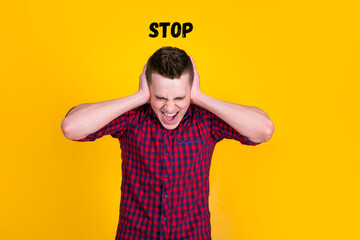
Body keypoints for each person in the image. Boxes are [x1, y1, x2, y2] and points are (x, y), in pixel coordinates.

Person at [61, 46, 274, 240]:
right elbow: (71, 128)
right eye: (160, 97)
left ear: (191, 90)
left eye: (180, 98)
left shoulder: (205, 120)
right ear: (149, 91)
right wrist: (138, 97)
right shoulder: (132, 118)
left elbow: (263, 130)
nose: (170, 108)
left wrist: (199, 97)